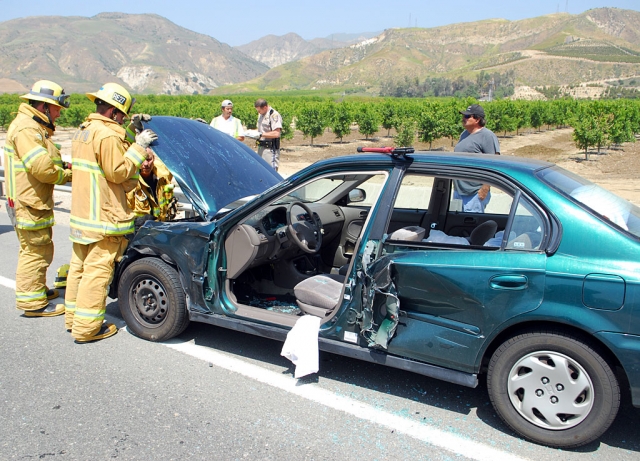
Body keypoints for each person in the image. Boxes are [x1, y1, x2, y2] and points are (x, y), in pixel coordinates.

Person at [64, 83, 157, 343]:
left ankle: (73, 320)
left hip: (83, 216)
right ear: (115, 113)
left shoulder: (84, 131)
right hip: (103, 218)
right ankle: (87, 329)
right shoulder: (108, 136)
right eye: (123, 116)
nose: (123, 121)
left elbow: (103, 166)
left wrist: (130, 136)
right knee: (97, 273)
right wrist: (138, 148)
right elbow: (118, 172)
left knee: (79, 269)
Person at [3, 80, 72, 317]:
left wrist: (62, 164)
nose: (59, 114)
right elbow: (42, 168)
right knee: (35, 251)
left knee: (39, 248)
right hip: (28, 202)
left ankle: (37, 289)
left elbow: (45, 159)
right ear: (43, 107)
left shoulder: (33, 127)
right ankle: (33, 304)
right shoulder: (27, 129)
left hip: (31, 201)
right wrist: (67, 174)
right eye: (56, 109)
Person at [453, 104, 500, 213]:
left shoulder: (487, 136)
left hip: (474, 193)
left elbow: (494, 163)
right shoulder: (464, 134)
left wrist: (485, 188)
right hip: (459, 191)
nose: (463, 119)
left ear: (477, 119)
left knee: (470, 227)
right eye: (464, 116)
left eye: (467, 116)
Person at [127, 150, 177, 226]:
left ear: (154, 159)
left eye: (149, 159)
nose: (146, 164)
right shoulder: (129, 183)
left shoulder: (163, 175)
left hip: (161, 226)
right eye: (142, 160)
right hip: (139, 231)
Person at [254, 99, 282, 171]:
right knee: (261, 171)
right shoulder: (261, 114)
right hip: (261, 147)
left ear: (265, 107)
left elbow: (276, 133)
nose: (258, 112)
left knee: (270, 171)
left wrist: (261, 135)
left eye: (259, 110)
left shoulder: (273, 115)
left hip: (270, 149)